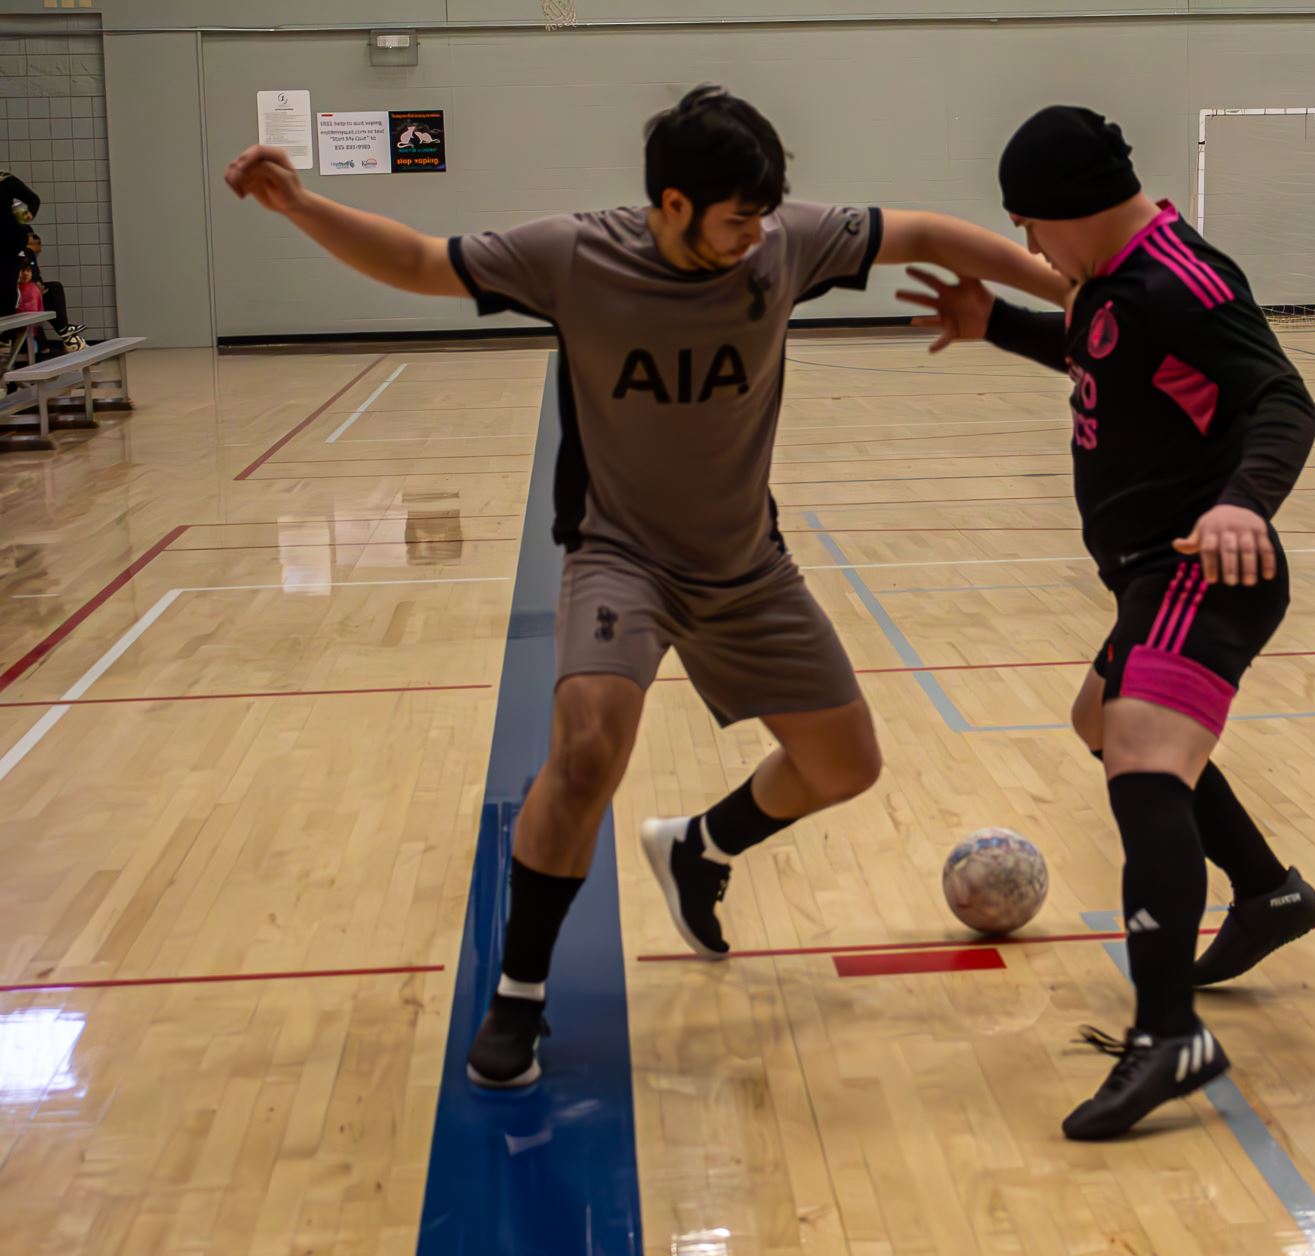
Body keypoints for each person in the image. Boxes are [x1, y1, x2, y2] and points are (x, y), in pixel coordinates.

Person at [226, 85, 1070, 1089]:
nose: (757, 236)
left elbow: (926, 230)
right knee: (585, 752)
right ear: (670, 205)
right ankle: (520, 996)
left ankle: (700, 847)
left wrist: (1063, 288)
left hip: (745, 566)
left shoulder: (785, 243)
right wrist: (298, 206)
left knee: (845, 767)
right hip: (619, 553)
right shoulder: (571, 257)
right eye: (735, 218)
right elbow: (419, 261)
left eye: (765, 214)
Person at [900, 107, 1315, 1141]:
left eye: (1030, 229)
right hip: (1147, 575)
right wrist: (993, 323)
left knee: (1139, 756)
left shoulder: (1182, 277)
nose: (1030, 249)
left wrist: (1241, 504)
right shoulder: (1117, 282)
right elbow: (1102, 356)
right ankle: (1267, 893)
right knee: (1098, 720)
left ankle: (1166, 1032)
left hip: (1200, 561)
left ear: (1066, 211)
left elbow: (1283, 400)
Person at [23, 233, 84, 350]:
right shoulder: (14, 254)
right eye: (31, 243)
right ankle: (64, 333)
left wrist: (38, 285)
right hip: (20, 294)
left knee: (54, 288)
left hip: (32, 291)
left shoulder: (28, 253)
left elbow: (34, 275)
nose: (34, 248)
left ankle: (64, 331)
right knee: (34, 294)